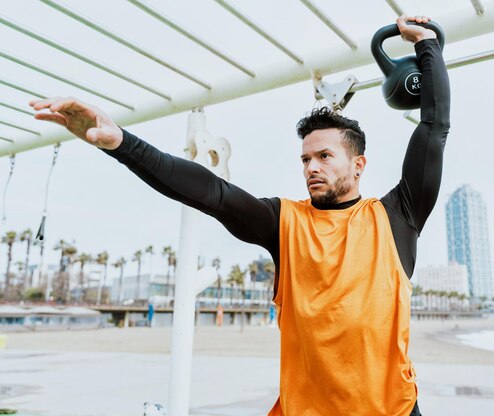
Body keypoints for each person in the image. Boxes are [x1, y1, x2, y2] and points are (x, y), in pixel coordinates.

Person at [30, 15, 450, 416]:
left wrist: (427, 47)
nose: (312, 168)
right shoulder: (285, 222)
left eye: (324, 156)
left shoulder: (397, 216)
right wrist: (121, 142)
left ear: (358, 165)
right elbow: (213, 193)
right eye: (305, 159)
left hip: (394, 409)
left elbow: (433, 128)